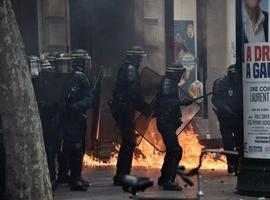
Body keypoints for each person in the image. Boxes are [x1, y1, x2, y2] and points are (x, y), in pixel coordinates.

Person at [109, 46, 151, 186]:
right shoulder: (131, 70)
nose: (140, 61)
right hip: (125, 111)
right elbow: (133, 94)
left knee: (128, 143)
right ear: (135, 57)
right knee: (129, 143)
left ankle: (122, 174)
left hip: (123, 109)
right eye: (139, 58)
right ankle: (122, 175)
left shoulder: (126, 68)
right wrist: (144, 107)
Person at [58, 50, 94, 191]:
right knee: (74, 148)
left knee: (72, 147)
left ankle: (72, 176)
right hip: (71, 118)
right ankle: (74, 178)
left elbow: (88, 97)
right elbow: (88, 97)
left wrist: (77, 106)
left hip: (76, 116)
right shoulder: (75, 77)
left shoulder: (76, 77)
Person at [155, 63, 192, 190]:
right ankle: (168, 181)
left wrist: (177, 119)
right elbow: (164, 102)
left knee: (172, 150)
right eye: (180, 73)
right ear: (174, 73)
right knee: (176, 150)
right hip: (165, 123)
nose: (181, 76)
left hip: (168, 122)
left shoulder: (170, 84)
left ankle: (164, 178)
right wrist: (181, 102)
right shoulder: (167, 83)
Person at [211, 65, 242, 174]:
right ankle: (231, 164)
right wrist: (225, 108)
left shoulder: (241, 82)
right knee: (228, 143)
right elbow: (215, 99)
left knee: (240, 142)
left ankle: (239, 165)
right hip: (226, 119)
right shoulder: (221, 83)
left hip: (238, 119)